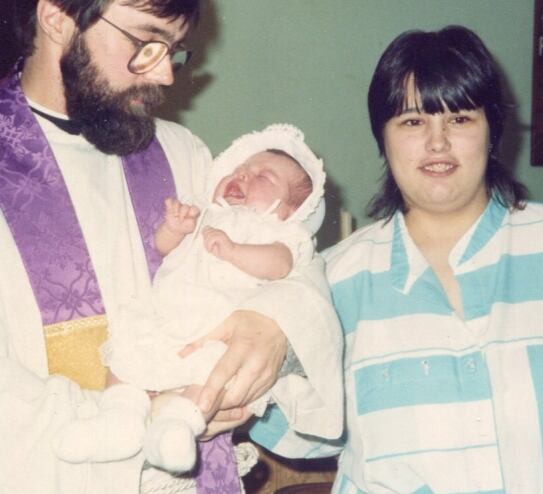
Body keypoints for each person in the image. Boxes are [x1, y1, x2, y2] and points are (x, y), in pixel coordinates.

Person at [249, 25, 543, 493]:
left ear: (492, 130)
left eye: (459, 119)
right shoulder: (327, 284)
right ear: (383, 137)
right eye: (412, 122)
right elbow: (294, 430)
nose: (437, 143)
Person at [0, 1, 341, 493]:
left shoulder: (183, 154)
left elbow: (289, 250)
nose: (164, 75)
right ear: (55, 16)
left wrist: (276, 328)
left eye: (174, 52)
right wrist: (144, 419)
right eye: (146, 43)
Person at [53, 124, 342, 474]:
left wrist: (235, 250)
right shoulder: (207, 214)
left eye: (263, 176)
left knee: (208, 376)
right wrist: (174, 229)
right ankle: (117, 420)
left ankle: (176, 427)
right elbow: (164, 249)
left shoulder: (280, 233)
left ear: (294, 209)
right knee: (127, 352)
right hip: (166, 317)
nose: (243, 177)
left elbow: (280, 265)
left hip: (213, 328)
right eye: (239, 170)